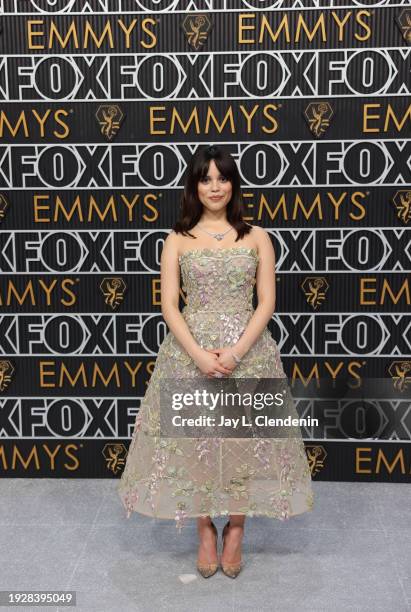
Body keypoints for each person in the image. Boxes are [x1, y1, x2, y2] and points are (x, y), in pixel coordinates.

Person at [118, 144, 314, 579]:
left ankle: (237, 529)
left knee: (241, 443)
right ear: (194, 186)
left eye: (222, 178)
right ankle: (205, 528)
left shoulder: (257, 236)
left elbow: (266, 303)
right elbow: (170, 306)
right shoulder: (177, 239)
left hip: (249, 354)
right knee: (197, 444)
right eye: (206, 179)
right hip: (190, 356)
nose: (215, 186)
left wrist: (237, 352)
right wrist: (198, 355)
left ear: (233, 185)